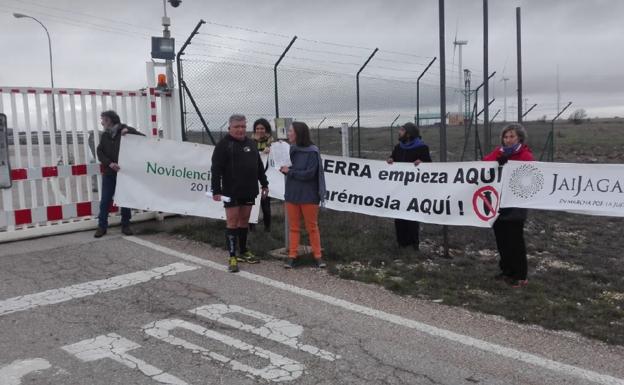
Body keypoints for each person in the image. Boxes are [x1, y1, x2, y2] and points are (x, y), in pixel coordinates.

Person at [211, 114, 269, 272]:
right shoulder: (223, 145)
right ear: (230, 128)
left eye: (243, 126)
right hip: (231, 191)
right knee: (232, 222)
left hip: (249, 189)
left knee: (244, 221)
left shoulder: (251, 143)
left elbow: (258, 166)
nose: (240, 130)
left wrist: (264, 184)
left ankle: (243, 251)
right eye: (237, 127)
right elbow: (216, 169)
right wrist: (216, 190)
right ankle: (232, 256)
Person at [483, 123, 534, 288]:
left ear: (519, 137)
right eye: (506, 137)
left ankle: (520, 275)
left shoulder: (525, 155)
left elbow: (529, 175)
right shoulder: (499, 153)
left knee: (515, 239)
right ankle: (506, 270)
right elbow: (483, 164)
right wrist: (497, 163)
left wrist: (508, 165)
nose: (508, 140)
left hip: (516, 203)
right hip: (498, 201)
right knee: (501, 238)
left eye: (512, 136)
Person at [280, 121, 327, 269]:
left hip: (309, 195)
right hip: (292, 194)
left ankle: (318, 256)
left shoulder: (312, 151)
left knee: (312, 227)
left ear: (298, 133)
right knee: (294, 227)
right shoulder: (290, 150)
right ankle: (292, 255)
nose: (288, 134)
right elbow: (284, 166)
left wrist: (290, 172)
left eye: (290, 131)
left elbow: (310, 174)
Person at [94, 110, 145, 238]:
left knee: (125, 200)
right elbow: (100, 152)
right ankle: (102, 227)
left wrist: (130, 132)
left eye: (103, 120)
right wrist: (109, 163)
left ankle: (126, 225)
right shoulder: (105, 135)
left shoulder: (125, 130)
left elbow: (144, 138)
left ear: (110, 120)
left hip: (124, 173)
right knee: (105, 200)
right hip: (109, 173)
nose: (102, 123)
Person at [386, 122, 432, 249]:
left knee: (412, 216)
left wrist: (422, 163)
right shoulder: (398, 147)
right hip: (399, 188)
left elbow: (429, 165)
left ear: (409, 134)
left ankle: (413, 244)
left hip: (414, 189)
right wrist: (390, 159)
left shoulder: (422, 148)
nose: (399, 132)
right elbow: (393, 158)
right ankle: (402, 243)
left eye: (401, 130)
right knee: (399, 215)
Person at [252, 118, 274, 232]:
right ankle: (252, 228)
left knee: (266, 205)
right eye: (257, 128)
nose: (259, 130)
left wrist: (270, 149)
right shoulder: (250, 142)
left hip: (267, 178)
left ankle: (267, 229)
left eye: (262, 128)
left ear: (266, 129)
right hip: (252, 178)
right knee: (251, 205)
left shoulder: (272, 143)